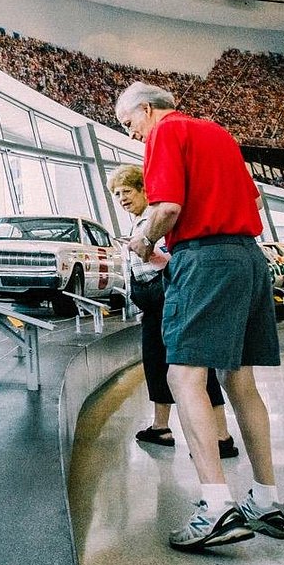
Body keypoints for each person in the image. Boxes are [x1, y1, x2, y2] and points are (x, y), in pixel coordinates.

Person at [115, 81, 284, 552]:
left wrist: (143, 241)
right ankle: (267, 500)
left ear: (148, 111)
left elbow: (168, 208)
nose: (132, 135)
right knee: (240, 381)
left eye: (129, 123)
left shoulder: (165, 135)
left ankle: (216, 507)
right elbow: (255, 202)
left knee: (183, 376)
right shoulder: (217, 133)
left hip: (205, 258)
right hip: (248, 258)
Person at [107, 165, 237, 458]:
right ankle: (160, 426)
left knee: (194, 363)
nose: (122, 199)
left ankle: (221, 436)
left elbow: (174, 259)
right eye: (117, 195)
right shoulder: (139, 222)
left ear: (143, 189)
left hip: (170, 296)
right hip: (153, 304)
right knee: (155, 362)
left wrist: (153, 258)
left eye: (127, 192)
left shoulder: (158, 220)